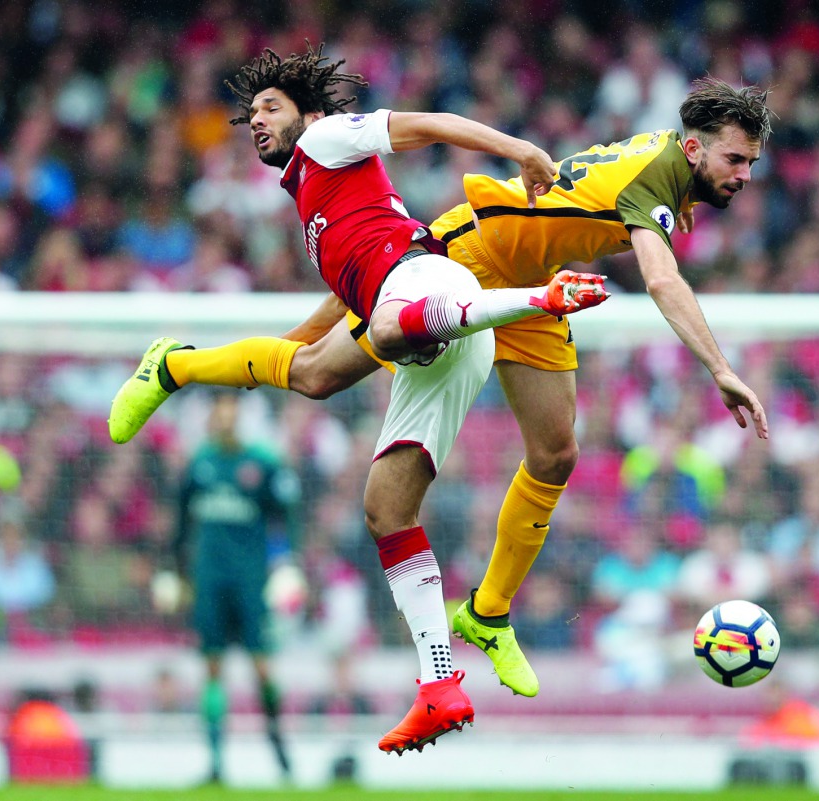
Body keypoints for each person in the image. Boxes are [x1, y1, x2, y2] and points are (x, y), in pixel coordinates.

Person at [112, 73, 772, 700]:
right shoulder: (659, 175)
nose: (744, 175)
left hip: (527, 279)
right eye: (736, 160)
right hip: (463, 256)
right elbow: (661, 280)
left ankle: (487, 614)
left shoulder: (666, 166)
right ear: (693, 147)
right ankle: (173, 365)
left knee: (555, 453)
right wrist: (720, 368)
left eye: (749, 163)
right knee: (314, 365)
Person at [108, 44, 607, 754]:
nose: (256, 121)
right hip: (440, 330)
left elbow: (428, 124)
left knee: (377, 332)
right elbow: (334, 313)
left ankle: (541, 297)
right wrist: (260, 363)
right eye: (249, 113)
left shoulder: (326, 137)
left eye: (269, 107)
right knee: (372, 483)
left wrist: (516, 146)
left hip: (432, 290)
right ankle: (439, 685)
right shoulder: (316, 198)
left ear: (306, 112)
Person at [174, 394, 299, 782]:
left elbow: (285, 518)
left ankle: (279, 750)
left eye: (231, 413)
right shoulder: (200, 463)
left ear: (240, 419)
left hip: (250, 580)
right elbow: (181, 525)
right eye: (219, 413)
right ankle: (214, 764)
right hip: (210, 579)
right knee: (212, 668)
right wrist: (177, 571)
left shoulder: (262, 464)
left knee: (261, 668)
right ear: (212, 418)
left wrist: (285, 565)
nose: (224, 420)